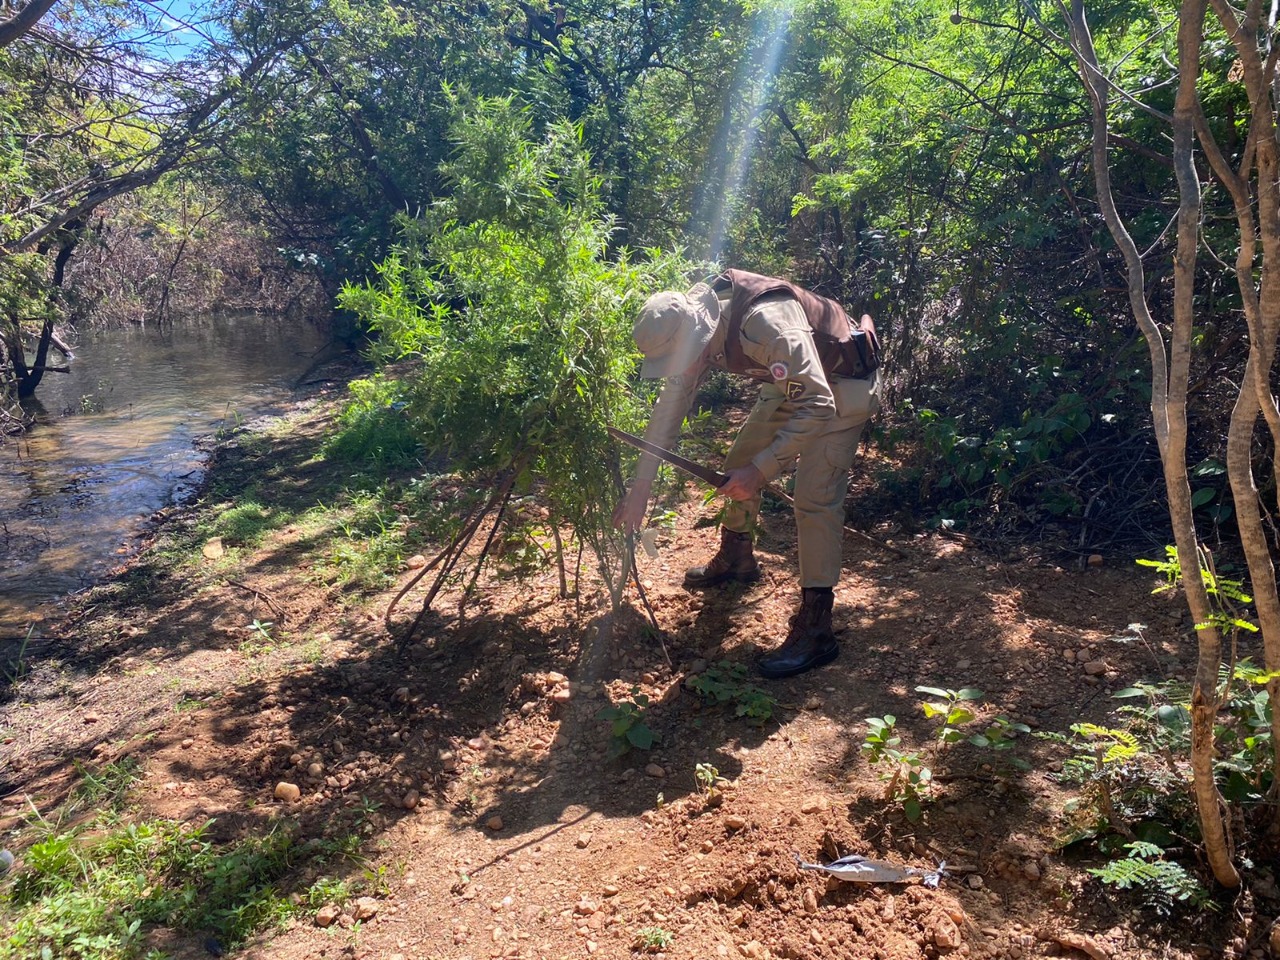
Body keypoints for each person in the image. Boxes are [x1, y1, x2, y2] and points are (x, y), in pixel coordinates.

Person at [612, 269, 881, 679]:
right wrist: (641, 487)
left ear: (698, 338)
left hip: (842, 384)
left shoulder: (766, 324)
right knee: (740, 457)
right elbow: (669, 409)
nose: (681, 369)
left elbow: (819, 404)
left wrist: (760, 472)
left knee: (814, 497)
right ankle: (738, 559)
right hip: (794, 382)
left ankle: (816, 629)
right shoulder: (691, 325)